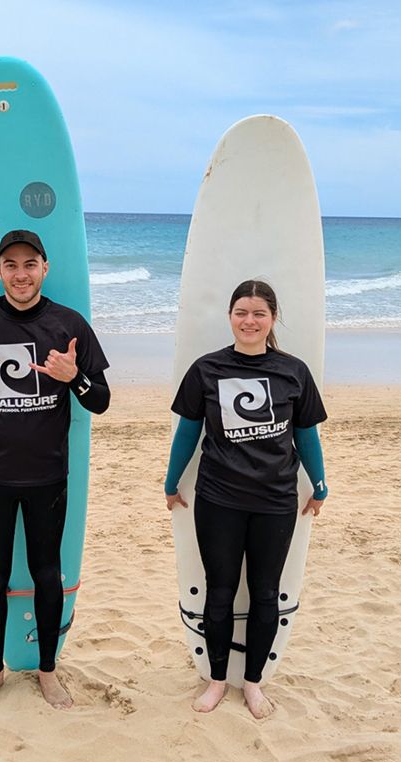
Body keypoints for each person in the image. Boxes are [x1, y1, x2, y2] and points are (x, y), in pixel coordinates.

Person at [0, 229, 111, 711]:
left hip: (47, 477)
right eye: (11, 265)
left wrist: (72, 377)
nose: (21, 273)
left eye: (30, 264)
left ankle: (48, 672)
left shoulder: (68, 325)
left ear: (45, 268)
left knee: (47, 574)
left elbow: (100, 401)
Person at [164, 279, 328, 719]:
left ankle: (253, 683)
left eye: (259, 313)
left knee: (265, 593)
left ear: (273, 319)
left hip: (275, 500)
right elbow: (188, 432)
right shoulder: (207, 369)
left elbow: (306, 434)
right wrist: (170, 480)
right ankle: (217, 681)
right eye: (241, 312)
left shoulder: (293, 371)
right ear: (230, 317)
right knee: (219, 593)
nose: (249, 320)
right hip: (219, 498)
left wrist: (321, 483)